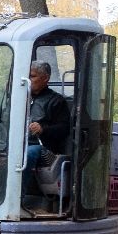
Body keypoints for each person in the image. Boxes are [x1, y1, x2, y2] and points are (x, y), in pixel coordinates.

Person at [24, 59, 71, 207]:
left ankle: (17, 200)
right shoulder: (19, 98)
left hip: (42, 147)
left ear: (45, 78)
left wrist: (43, 129)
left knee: (25, 155)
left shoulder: (56, 101)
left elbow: (64, 129)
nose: (28, 80)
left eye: (32, 76)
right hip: (16, 143)